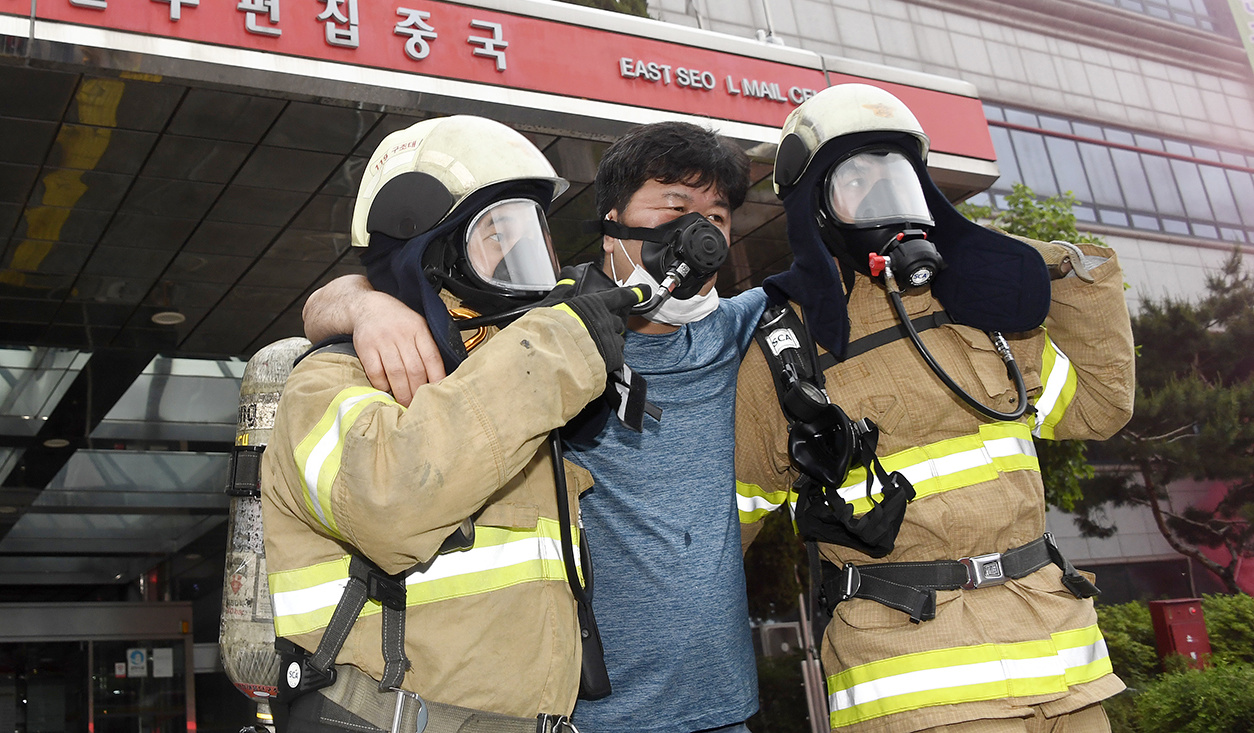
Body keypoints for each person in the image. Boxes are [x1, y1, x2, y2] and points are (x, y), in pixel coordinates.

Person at [304, 120, 767, 733]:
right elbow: (382, 282)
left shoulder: (739, 335)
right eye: (676, 207)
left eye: (718, 218)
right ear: (611, 219)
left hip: (721, 706)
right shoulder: (547, 324)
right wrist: (365, 305)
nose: (700, 235)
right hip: (581, 711)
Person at [733, 83, 1135, 733]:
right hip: (919, 674)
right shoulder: (786, 348)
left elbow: (1099, 408)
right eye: (856, 179)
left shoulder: (983, 314)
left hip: (1059, 655)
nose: (884, 196)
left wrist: (1051, 272)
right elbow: (734, 514)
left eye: (898, 176)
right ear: (819, 212)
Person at [261, 114, 640, 733]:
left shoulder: (504, 382)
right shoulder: (327, 384)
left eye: (532, 236)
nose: (526, 259)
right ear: (427, 254)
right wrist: (557, 349)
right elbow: (393, 498)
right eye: (499, 236)